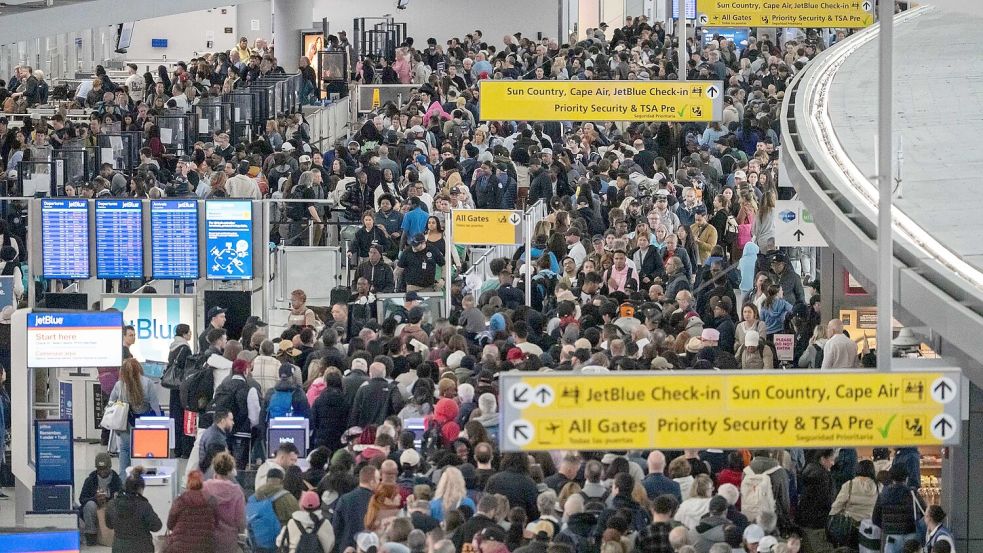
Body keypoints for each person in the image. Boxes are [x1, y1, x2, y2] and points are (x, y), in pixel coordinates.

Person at [108, 358, 161, 475]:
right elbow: (155, 406)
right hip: (145, 425)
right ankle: (143, 479)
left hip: (126, 424)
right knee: (146, 453)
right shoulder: (148, 383)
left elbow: (111, 403)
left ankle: (123, 482)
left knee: (125, 451)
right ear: (139, 368)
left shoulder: (119, 385)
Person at [106, 466, 163, 553]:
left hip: (119, 548)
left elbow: (109, 525)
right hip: (141, 547)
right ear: (140, 489)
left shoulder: (112, 504)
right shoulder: (144, 506)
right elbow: (157, 526)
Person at [872, 465, 924, 553]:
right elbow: (924, 512)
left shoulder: (883, 494)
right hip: (911, 535)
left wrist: (887, 527)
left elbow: (875, 519)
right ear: (906, 477)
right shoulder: (913, 493)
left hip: (892, 537)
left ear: (891, 478)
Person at [202, 452, 247, 553]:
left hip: (206, 539)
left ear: (214, 467)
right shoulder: (237, 491)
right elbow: (241, 521)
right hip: (228, 541)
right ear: (231, 470)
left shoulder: (204, 488)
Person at [248, 467, 301, 552]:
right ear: (282, 480)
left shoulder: (254, 498)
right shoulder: (288, 498)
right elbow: (297, 519)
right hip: (279, 544)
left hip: (258, 543)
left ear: (267, 479)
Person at [165, 470, 217, 553]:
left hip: (180, 547)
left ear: (188, 483)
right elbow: (216, 524)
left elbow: (170, 525)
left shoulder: (180, 500)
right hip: (205, 547)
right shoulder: (211, 500)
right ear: (202, 483)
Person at [79, 452, 123, 546]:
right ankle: (91, 535)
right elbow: (82, 499)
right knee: (90, 505)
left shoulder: (117, 481)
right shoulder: (90, 480)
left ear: (110, 467)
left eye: (105, 469)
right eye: (100, 469)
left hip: (109, 510)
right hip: (94, 510)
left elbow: (123, 499)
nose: (102, 471)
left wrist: (111, 500)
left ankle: (114, 535)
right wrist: (95, 499)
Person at [797, 449, 836, 553]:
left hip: (804, 520)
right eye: (831, 460)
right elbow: (828, 501)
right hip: (819, 523)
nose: (833, 463)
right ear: (823, 459)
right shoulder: (825, 477)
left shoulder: (807, 471)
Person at [334, 465, 380, 553]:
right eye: (378, 480)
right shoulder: (376, 502)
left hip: (346, 547)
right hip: (370, 548)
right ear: (372, 482)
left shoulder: (344, 499)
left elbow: (336, 527)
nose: (379, 483)